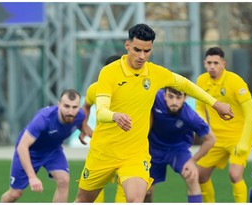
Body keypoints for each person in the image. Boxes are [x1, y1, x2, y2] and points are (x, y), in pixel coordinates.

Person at [74, 23, 234, 203]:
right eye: (137, 50)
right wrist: (115, 116)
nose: (142, 56)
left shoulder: (155, 73)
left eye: (147, 51)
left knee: (136, 199)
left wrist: (215, 103)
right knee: (83, 200)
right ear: (127, 46)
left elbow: (185, 84)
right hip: (103, 152)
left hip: (134, 155)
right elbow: (101, 111)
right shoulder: (109, 73)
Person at [0, 89, 87, 202]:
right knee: (15, 194)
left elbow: (80, 122)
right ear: (59, 105)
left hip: (53, 150)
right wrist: (32, 177)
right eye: (66, 106)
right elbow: (22, 146)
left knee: (63, 180)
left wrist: (84, 130)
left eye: (74, 107)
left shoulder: (79, 115)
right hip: (30, 151)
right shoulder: (44, 119)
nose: (70, 111)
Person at [195, 47, 252, 202]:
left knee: (235, 174)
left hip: (238, 137)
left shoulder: (235, 81)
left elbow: (251, 113)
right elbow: (199, 108)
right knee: (200, 175)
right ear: (204, 63)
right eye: (209, 63)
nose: (212, 66)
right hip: (216, 138)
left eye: (216, 63)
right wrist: (206, 130)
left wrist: (243, 141)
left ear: (223, 63)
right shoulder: (201, 81)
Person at [143, 87, 216, 202]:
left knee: (192, 177)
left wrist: (192, 161)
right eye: (171, 97)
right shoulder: (155, 97)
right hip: (153, 149)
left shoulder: (190, 116)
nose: (174, 102)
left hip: (177, 150)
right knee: (145, 191)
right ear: (164, 95)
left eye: (178, 97)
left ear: (185, 98)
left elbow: (211, 139)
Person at [79, 55, 126, 203]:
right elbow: (86, 106)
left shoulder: (132, 88)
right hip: (102, 147)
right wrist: (84, 125)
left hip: (126, 145)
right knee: (92, 191)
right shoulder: (95, 89)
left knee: (126, 188)